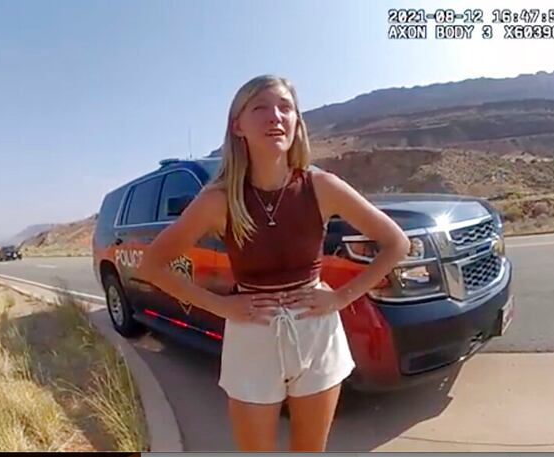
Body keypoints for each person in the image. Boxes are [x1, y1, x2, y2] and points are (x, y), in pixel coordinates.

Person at [141, 75, 410, 451]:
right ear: (238, 125)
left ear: (297, 121)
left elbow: (396, 243)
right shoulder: (219, 200)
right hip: (253, 337)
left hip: (316, 331)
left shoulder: (321, 186)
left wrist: (340, 298)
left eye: (285, 107)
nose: (275, 117)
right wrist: (220, 305)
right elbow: (152, 265)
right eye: (260, 108)